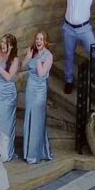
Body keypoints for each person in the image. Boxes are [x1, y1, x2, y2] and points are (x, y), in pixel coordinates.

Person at [62, 0, 95, 95]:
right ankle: (69, 80)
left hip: (84, 28)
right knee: (69, 55)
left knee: (94, 53)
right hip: (69, 28)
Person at [21, 31, 54, 164]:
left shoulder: (49, 56)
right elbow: (22, 66)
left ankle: (35, 153)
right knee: (29, 116)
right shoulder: (32, 52)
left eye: (41, 39)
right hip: (30, 89)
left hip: (40, 91)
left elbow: (41, 73)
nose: (38, 41)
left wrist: (39, 59)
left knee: (37, 119)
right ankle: (28, 151)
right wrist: (28, 57)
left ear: (45, 41)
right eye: (37, 39)